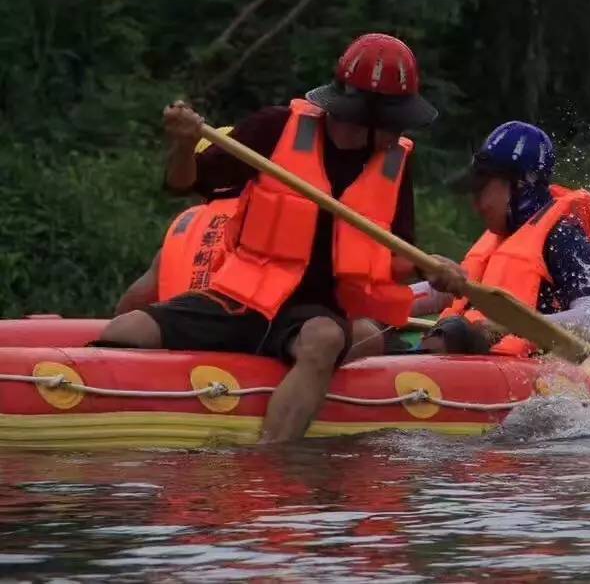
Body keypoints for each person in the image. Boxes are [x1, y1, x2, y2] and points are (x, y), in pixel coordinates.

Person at [96, 33, 452, 443]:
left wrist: (432, 266)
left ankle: (270, 465)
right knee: (125, 332)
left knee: (326, 337)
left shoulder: (396, 164)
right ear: (362, 118)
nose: (399, 133)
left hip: (312, 310)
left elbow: (395, 254)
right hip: (239, 299)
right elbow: (183, 183)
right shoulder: (273, 129)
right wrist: (182, 144)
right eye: (394, 123)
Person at [414, 121, 590, 354]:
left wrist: (514, 325)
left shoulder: (563, 237)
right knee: (449, 332)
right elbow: (453, 292)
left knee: (454, 333)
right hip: (476, 353)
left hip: (528, 365)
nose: (475, 206)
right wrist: (378, 301)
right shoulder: (500, 236)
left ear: (520, 186)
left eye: (481, 190)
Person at [116, 128, 239, 315]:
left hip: (175, 335)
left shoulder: (186, 229)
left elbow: (131, 303)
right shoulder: (259, 219)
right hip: (235, 339)